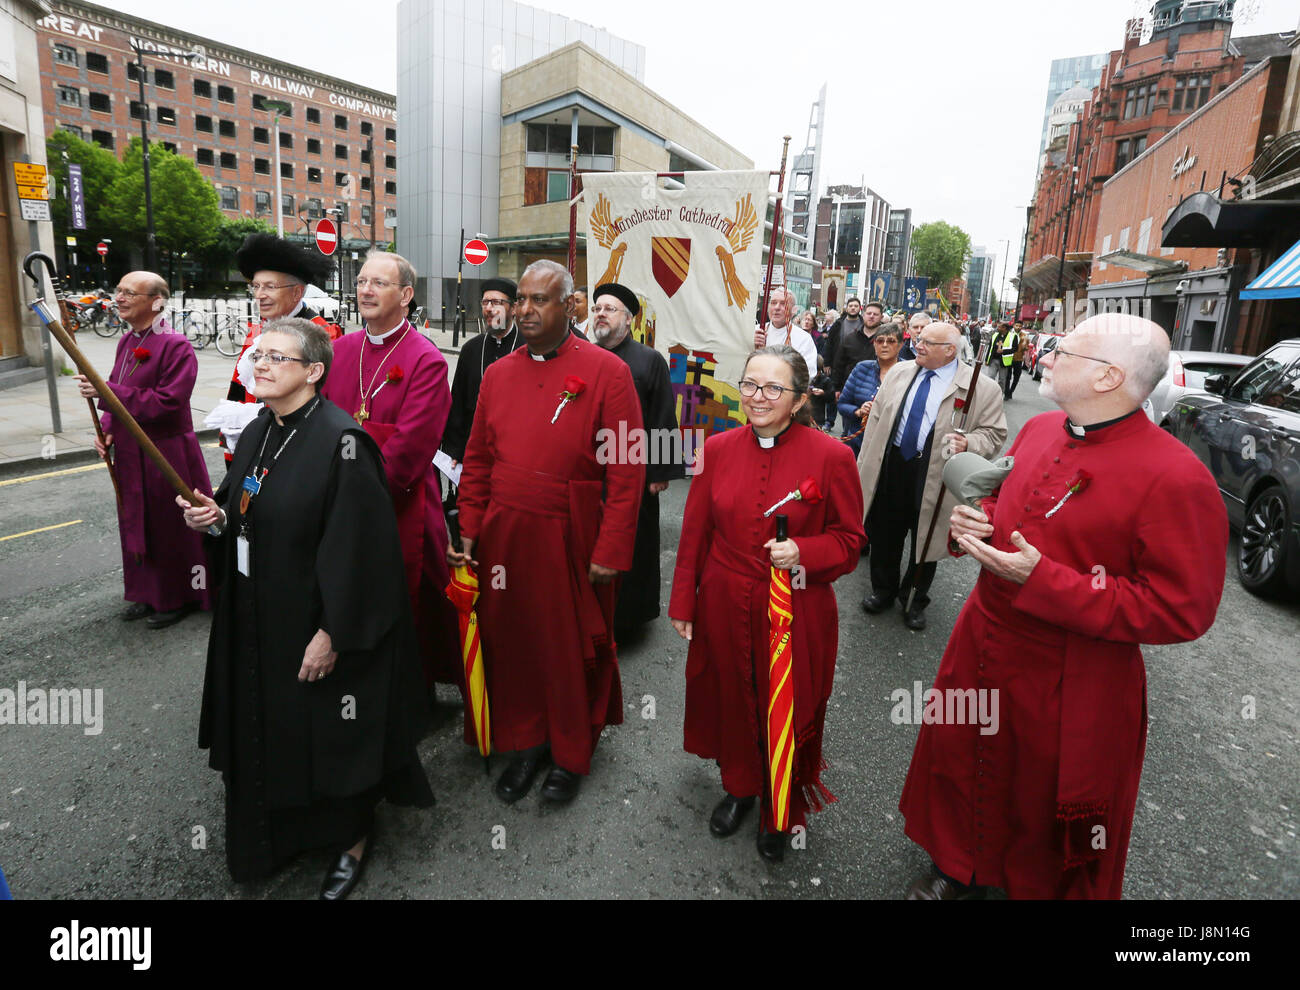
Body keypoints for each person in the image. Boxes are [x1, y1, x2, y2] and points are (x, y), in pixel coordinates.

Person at [900, 314, 1228, 900]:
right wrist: (973, 522)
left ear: (1107, 377)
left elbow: (1183, 610)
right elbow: (1000, 501)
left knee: (1040, 794)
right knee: (960, 760)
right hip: (983, 636)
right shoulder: (1042, 429)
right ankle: (958, 864)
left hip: (1072, 671)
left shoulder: (1179, 477)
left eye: (1062, 350)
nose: (1044, 355)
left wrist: (1046, 581)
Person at [178, 317, 434, 899]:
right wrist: (216, 520)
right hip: (254, 615)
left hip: (312, 621)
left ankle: (350, 839)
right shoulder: (261, 429)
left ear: (314, 372)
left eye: (275, 357)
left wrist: (333, 633)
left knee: (328, 735)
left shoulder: (344, 444)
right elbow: (246, 507)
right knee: (269, 727)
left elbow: (364, 555)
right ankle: (278, 831)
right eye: (256, 356)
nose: (258, 366)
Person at [452, 260, 644, 805]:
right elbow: (479, 458)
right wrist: (469, 527)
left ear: (571, 306)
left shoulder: (609, 372)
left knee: (567, 650)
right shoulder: (497, 373)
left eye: (540, 300)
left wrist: (611, 547)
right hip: (504, 535)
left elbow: (628, 471)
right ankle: (527, 740)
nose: (526, 310)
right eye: (522, 301)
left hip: (572, 535)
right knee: (515, 643)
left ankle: (569, 750)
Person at [670, 345, 865, 862]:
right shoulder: (717, 447)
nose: (757, 398)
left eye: (773, 388)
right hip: (724, 593)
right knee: (732, 693)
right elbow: (695, 532)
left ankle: (780, 807)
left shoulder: (833, 457)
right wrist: (683, 602)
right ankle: (740, 787)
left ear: (799, 398)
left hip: (795, 604)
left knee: (787, 702)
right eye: (750, 385)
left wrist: (804, 549)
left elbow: (849, 542)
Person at [320, 250, 460, 692]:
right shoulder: (338, 350)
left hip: (401, 508)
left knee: (409, 605)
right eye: (361, 281)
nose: (365, 290)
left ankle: (410, 696)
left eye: (378, 283)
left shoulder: (426, 359)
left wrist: (351, 496)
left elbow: (410, 450)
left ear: (406, 295)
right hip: (337, 504)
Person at [75, 271, 212, 630]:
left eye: (129, 293)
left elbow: (169, 402)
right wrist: (106, 432)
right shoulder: (125, 342)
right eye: (118, 291)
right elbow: (118, 390)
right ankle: (145, 592)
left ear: (156, 302)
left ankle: (180, 595)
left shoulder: (176, 345)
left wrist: (106, 393)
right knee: (136, 522)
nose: (118, 298)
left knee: (168, 527)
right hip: (130, 451)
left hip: (166, 452)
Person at [856, 322, 1007, 631]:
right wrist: (865, 464)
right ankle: (882, 590)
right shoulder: (900, 373)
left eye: (926, 342)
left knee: (927, 537)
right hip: (892, 463)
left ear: (950, 351)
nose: (917, 344)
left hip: (936, 471)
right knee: (884, 531)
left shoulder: (982, 387)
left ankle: (914, 598)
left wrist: (970, 443)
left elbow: (994, 434)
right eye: (918, 339)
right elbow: (876, 423)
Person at [589, 281, 685, 637]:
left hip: (634, 468)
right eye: (597, 308)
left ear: (628, 320)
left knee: (634, 540)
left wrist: (659, 473)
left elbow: (662, 414)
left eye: (609, 309)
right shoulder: (582, 354)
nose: (600, 313)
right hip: (589, 469)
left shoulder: (649, 360)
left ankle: (629, 617)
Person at [221, 234, 342, 463]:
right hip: (252, 441)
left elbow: (319, 402)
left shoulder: (322, 334)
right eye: (255, 286)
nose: (259, 295)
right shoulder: (258, 330)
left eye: (269, 287)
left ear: (296, 292)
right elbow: (240, 388)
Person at [837, 325, 903, 455]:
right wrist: (858, 411)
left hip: (890, 446)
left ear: (900, 345)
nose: (884, 345)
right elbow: (842, 404)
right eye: (880, 341)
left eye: (891, 341)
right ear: (874, 345)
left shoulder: (907, 372)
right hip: (858, 443)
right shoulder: (862, 368)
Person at [755, 286, 818, 378]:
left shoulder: (804, 338)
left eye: (783, 304)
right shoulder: (756, 331)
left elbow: (808, 373)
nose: (777, 307)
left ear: (794, 310)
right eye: (773, 303)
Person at [832, 300, 886, 396]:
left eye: (875, 314)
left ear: (881, 317)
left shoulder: (886, 341)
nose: (871, 316)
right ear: (864, 315)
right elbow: (839, 365)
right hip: (850, 389)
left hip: (876, 392)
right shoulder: (850, 338)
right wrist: (836, 388)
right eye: (869, 313)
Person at [823, 297, 863, 373]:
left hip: (857, 364)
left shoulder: (863, 324)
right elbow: (829, 344)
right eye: (850, 306)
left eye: (856, 306)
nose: (853, 308)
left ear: (860, 308)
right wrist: (827, 363)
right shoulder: (838, 324)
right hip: (838, 363)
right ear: (847, 308)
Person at [996, 321, 1021, 399]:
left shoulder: (1024, 335)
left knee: (1016, 377)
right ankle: (1006, 393)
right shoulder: (1009, 334)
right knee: (1007, 376)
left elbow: (1025, 347)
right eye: (1017, 325)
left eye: (1020, 326)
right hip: (1009, 358)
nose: (1018, 327)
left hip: (1018, 358)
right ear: (1013, 326)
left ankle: (1011, 391)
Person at [810, 354, 835, 431]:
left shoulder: (825, 380)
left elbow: (831, 398)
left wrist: (823, 393)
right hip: (805, 416)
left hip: (818, 418)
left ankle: (828, 423)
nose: (815, 375)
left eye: (817, 372)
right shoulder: (804, 379)